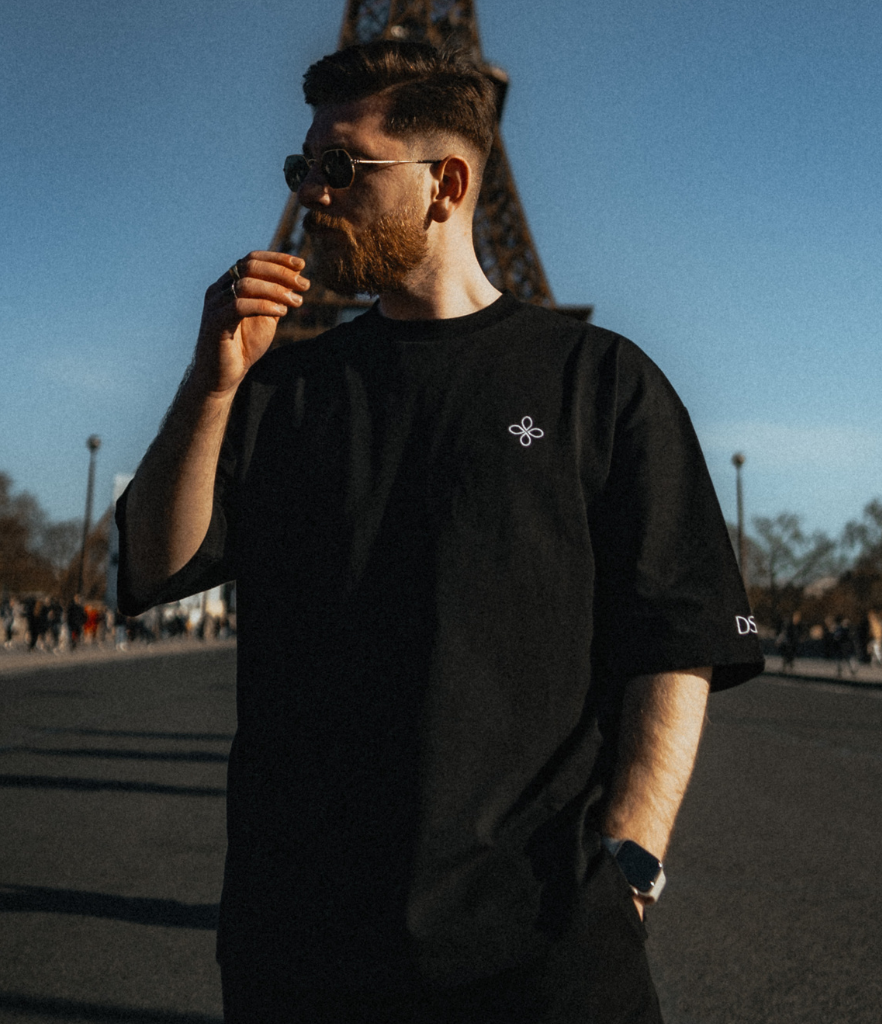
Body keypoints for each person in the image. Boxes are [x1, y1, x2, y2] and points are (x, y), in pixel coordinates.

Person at [118, 40, 764, 1024]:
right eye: (301, 166)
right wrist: (209, 387)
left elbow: (677, 636)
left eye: (341, 166)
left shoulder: (601, 383)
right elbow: (153, 565)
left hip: (540, 951)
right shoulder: (280, 389)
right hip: (300, 943)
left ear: (446, 184)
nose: (311, 194)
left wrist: (631, 861)